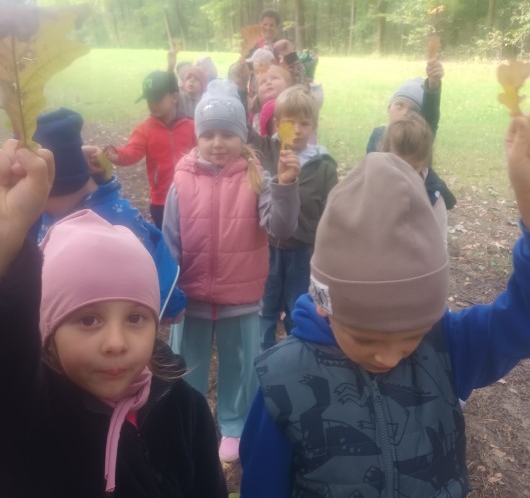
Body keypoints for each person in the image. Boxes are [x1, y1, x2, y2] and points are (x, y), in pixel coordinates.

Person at [235, 115, 530, 498]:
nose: (390, 357)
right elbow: (261, 496)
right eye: (367, 338)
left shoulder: (446, 347)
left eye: (411, 336)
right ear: (326, 305)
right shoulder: (285, 381)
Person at [0, 140, 255, 498]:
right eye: (88, 320)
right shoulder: (31, 414)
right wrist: (9, 243)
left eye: (136, 318)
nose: (116, 343)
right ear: (48, 333)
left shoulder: (180, 408)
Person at [162, 80, 301, 463]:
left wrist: (286, 186)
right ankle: (188, 422)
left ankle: (235, 425)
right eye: (209, 134)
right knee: (185, 364)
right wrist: (167, 293)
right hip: (190, 297)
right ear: (198, 137)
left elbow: (281, 227)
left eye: (227, 134)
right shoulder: (181, 179)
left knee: (239, 367)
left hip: (240, 299)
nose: (218, 143)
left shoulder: (257, 178)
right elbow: (170, 238)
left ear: (242, 136)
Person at [33, 107, 186, 320]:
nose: (35, 205)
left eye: (42, 199)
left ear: (60, 188)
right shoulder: (45, 213)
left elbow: (162, 287)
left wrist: (170, 305)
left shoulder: (117, 223)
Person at [248, 85, 338, 349]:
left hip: (303, 253)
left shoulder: (324, 165)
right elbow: (239, 131)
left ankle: (295, 356)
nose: (297, 130)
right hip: (267, 250)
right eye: (290, 123)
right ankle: (261, 358)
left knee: (297, 310)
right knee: (264, 310)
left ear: (314, 126)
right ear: (277, 124)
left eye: (304, 123)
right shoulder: (266, 150)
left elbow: (331, 213)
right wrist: (244, 88)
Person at [104, 70, 196, 229]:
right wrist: (117, 154)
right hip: (161, 200)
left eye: (157, 99)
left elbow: (203, 154)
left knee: (192, 236)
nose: (152, 104)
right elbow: (132, 152)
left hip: (191, 195)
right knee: (166, 238)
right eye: (149, 99)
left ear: (174, 97)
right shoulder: (144, 129)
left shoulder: (191, 126)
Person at [366, 59, 456, 212]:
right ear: (389, 108)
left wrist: (433, 87)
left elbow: (430, 116)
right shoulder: (378, 134)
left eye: (414, 110)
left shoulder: (420, 137)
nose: (405, 113)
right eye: (399, 105)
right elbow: (369, 171)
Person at [382, 111, 448, 243]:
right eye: (399, 166)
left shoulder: (433, 199)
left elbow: (440, 246)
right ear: (385, 153)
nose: (406, 175)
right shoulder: (373, 186)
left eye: (413, 169)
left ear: (424, 162)